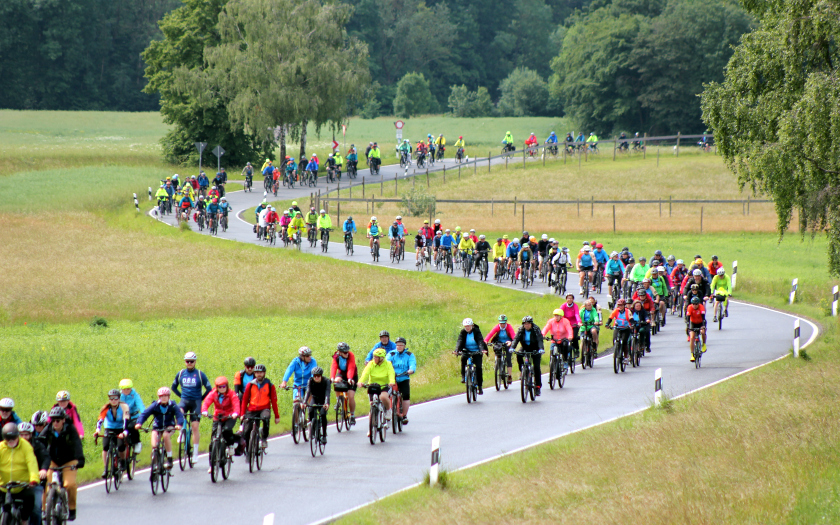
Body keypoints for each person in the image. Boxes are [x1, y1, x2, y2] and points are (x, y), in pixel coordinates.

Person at [43, 407, 85, 522]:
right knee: (47, 484)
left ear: (63, 420)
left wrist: (80, 459)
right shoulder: (48, 429)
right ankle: (45, 509)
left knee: (69, 484)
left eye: (58, 420)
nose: (55, 423)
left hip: (69, 460)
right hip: (53, 460)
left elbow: (77, 444)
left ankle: (72, 509)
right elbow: (40, 442)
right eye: (53, 420)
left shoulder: (70, 429)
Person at [171, 352, 211, 460]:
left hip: (196, 403)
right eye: (187, 361)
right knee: (178, 412)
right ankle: (181, 433)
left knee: (195, 427)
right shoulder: (180, 373)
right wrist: (181, 395)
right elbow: (173, 387)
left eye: (191, 361)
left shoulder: (199, 374)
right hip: (184, 400)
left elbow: (209, 388)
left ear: (195, 362)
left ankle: (195, 454)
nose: (189, 363)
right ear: (185, 362)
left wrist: (201, 398)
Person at [1, 423, 39, 525]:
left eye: (13, 438)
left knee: (30, 498)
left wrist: (33, 479)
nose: (11, 441)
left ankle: (24, 521)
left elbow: (32, 462)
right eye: (8, 439)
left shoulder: (26, 446)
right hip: (4, 486)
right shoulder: (1, 448)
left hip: (22, 485)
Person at [201, 377, 239, 470]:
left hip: (229, 416)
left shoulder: (231, 394)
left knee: (226, 430)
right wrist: (204, 410)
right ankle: (212, 465)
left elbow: (236, 404)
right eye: (219, 387)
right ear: (216, 387)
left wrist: (235, 413)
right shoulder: (213, 393)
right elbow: (206, 402)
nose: (222, 388)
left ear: (227, 386)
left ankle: (230, 445)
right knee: (213, 441)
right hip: (217, 417)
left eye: (223, 386)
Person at [240, 365, 279, 450]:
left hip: (264, 408)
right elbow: (245, 400)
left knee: (265, 418)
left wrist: (277, 416)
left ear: (264, 373)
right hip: (252, 409)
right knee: (246, 431)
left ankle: (264, 438)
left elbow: (273, 401)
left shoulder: (269, 385)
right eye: (257, 373)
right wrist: (242, 414)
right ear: (255, 373)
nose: (259, 374)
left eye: (261, 373)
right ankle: (248, 449)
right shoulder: (250, 385)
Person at [93, 390, 129, 478]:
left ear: (119, 398)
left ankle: (123, 461)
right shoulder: (106, 408)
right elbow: (100, 419)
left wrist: (124, 433)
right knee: (105, 447)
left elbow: (126, 421)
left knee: (121, 446)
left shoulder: (124, 406)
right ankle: (106, 469)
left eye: (115, 398)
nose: (113, 400)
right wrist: (98, 430)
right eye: (111, 398)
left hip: (121, 428)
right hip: (109, 428)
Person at [19, 421, 48, 525]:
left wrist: (43, 470)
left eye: (26, 434)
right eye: (21, 434)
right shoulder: (13, 447)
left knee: (35, 509)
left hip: (34, 482)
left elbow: (45, 458)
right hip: (17, 482)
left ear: (31, 435)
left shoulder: (38, 446)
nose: (24, 437)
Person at [359, 349, 397, 429]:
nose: (374, 358)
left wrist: (391, 381)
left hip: (384, 386)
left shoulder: (388, 364)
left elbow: (391, 373)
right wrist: (361, 382)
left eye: (376, 357)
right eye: (374, 357)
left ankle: (388, 410)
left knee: (383, 397)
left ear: (382, 358)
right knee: (372, 406)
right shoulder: (371, 364)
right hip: (373, 386)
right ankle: (371, 428)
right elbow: (365, 373)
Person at [510, 316, 545, 395]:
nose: (526, 325)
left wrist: (541, 348)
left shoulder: (536, 329)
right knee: (518, 354)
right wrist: (512, 347)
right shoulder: (521, 329)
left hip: (535, 348)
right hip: (525, 347)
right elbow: (516, 339)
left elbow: (540, 339)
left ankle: (538, 386)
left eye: (528, 324)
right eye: (525, 324)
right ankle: (523, 371)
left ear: (531, 324)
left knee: (536, 367)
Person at [387, 337, 416, 424]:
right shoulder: (391, 354)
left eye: (401, 345)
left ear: (404, 346)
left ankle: (404, 415)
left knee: (406, 395)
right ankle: (389, 411)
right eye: (397, 345)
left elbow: (412, 364)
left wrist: (411, 370)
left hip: (404, 377)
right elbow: (386, 362)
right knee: (388, 393)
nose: (399, 347)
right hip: (393, 378)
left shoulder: (409, 355)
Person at [455, 318, 488, 392]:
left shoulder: (476, 331)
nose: (467, 328)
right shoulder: (463, 332)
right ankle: (464, 377)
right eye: (466, 326)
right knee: (463, 359)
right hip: (467, 350)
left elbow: (480, 341)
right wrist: (457, 350)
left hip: (477, 351)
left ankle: (479, 386)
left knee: (478, 367)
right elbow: (459, 341)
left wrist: (482, 349)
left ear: (472, 326)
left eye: (468, 326)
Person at [330, 342, 358, 425]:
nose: (347, 353)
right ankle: (338, 399)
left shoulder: (350, 355)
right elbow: (334, 366)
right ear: (339, 352)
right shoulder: (336, 356)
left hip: (352, 375)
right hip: (342, 373)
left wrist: (349, 378)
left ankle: (352, 415)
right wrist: (332, 377)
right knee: (336, 381)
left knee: (351, 396)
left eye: (347, 351)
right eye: (344, 352)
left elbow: (351, 367)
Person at [484, 314, 515, 382]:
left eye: (504, 323)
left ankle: (509, 376)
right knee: (497, 351)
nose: (502, 325)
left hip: (508, 342)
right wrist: (485, 341)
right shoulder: (497, 327)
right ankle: (498, 362)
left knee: (508, 359)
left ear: (506, 322)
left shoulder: (509, 327)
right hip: (499, 342)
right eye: (501, 323)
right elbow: (490, 334)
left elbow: (513, 336)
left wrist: (511, 342)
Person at [304, 368, 331, 444]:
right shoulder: (310, 381)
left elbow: (327, 393)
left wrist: (326, 403)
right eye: (315, 376)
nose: (316, 377)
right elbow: (308, 392)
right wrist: (304, 402)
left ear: (321, 376)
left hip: (323, 400)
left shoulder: (326, 381)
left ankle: (324, 435)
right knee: (311, 411)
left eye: (318, 376)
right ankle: (312, 430)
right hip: (315, 399)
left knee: (323, 414)